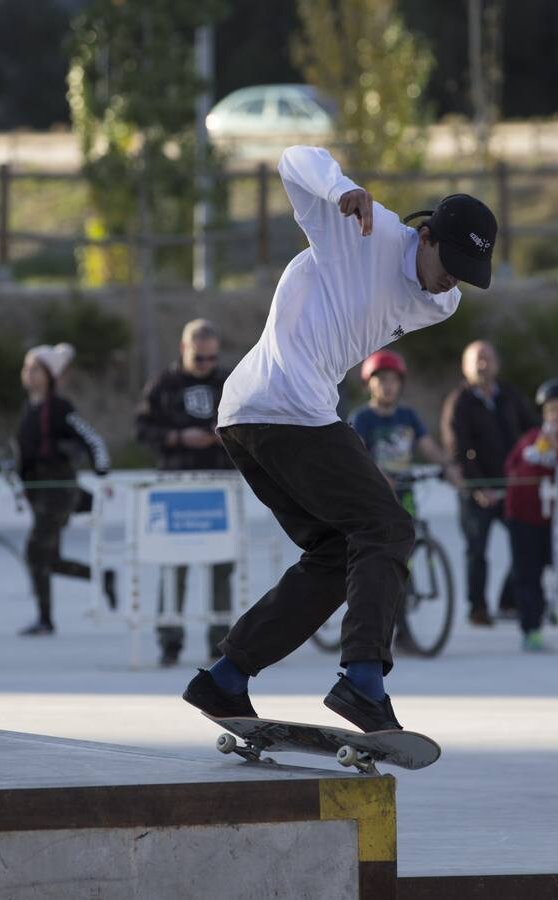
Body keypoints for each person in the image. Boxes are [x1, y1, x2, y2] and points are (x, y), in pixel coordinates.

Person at [183, 144, 498, 733]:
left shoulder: (443, 303)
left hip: (250, 416)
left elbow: (425, 291)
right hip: (286, 405)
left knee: (336, 553)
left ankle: (225, 678)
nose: (451, 281)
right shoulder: (363, 232)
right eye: (448, 261)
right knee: (387, 527)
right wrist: (338, 189)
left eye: (464, 273)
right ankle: (362, 680)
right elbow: (293, 159)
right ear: (424, 235)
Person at [135, 318, 237, 666]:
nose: (206, 366)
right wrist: (179, 437)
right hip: (176, 485)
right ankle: (170, 639)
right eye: (199, 358)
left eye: (211, 358)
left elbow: (249, 422)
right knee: (173, 564)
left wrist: (226, 435)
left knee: (222, 565)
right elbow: (142, 429)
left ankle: (219, 638)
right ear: (184, 349)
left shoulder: (228, 382)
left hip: (219, 484)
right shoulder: (163, 384)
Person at [14, 343, 115, 636]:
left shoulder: (60, 408)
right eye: (27, 367)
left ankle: (45, 620)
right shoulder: (29, 410)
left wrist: (103, 475)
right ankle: (103, 577)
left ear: (49, 375)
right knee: (50, 559)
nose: (29, 374)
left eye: (35, 368)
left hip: (58, 492)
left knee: (35, 552)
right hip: (39, 492)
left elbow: (93, 440)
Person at [441, 341, 538, 626]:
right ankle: (478, 609)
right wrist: (476, 487)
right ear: (465, 366)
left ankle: (509, 601)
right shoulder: (458, 402)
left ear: (497, 363)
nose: (483, 364)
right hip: (477, 493)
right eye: (477, 359)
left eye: (488, 358)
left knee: (526, 543)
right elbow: (456, 447)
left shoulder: (509, 395)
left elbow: (531, 432)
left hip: (511, 489)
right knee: (477, 552)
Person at [503, 378, 558, 652]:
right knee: (527, 576)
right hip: (522, 519)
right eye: (549, 410)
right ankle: (531, 629)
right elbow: (511, 466)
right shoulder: (531, 438)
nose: (554, 416)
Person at [349, 349, 463, 510]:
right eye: (382, 379)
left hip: (405, 489)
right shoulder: (361, 417)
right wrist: (379, 476)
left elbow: (428, 446)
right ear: (369, 383)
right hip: (373, 493)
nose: (388, 386)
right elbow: (357, 455)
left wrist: (448, 465)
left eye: (393, 380)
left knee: (411, 528)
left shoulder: (408, 415)